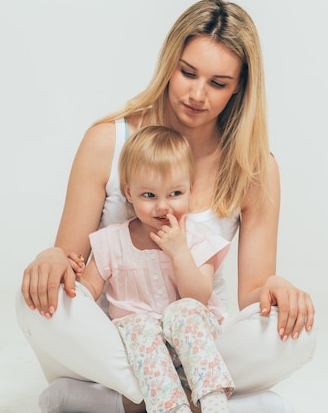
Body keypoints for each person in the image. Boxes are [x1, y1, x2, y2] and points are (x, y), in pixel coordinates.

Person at [16, 0, 317, 413]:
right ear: (169, 63)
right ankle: (189, 400)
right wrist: (49, 258)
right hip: (115, 342)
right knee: (32, 299)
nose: (197, 94)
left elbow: (253, 294)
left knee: (298, 334)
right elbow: (70, 269)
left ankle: (123, 404)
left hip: (199, 341)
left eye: (218, 83)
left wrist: (276, 288)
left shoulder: (255, 168)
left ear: (239, 88)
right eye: (188, 72)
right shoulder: (108, 142)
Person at [78, 125, 234, 413]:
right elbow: (86, 291)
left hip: (197, 343)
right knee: (137, 325)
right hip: (142, 353)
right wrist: (71, 287)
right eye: (149, 195)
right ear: (129, 193)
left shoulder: (197, 239)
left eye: (175, 193)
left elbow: (198, 296)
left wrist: (179, 253)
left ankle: (213, 401)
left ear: (190, 189)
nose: (163, 206)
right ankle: (172, 409)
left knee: (181, 311)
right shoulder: (112, 241)